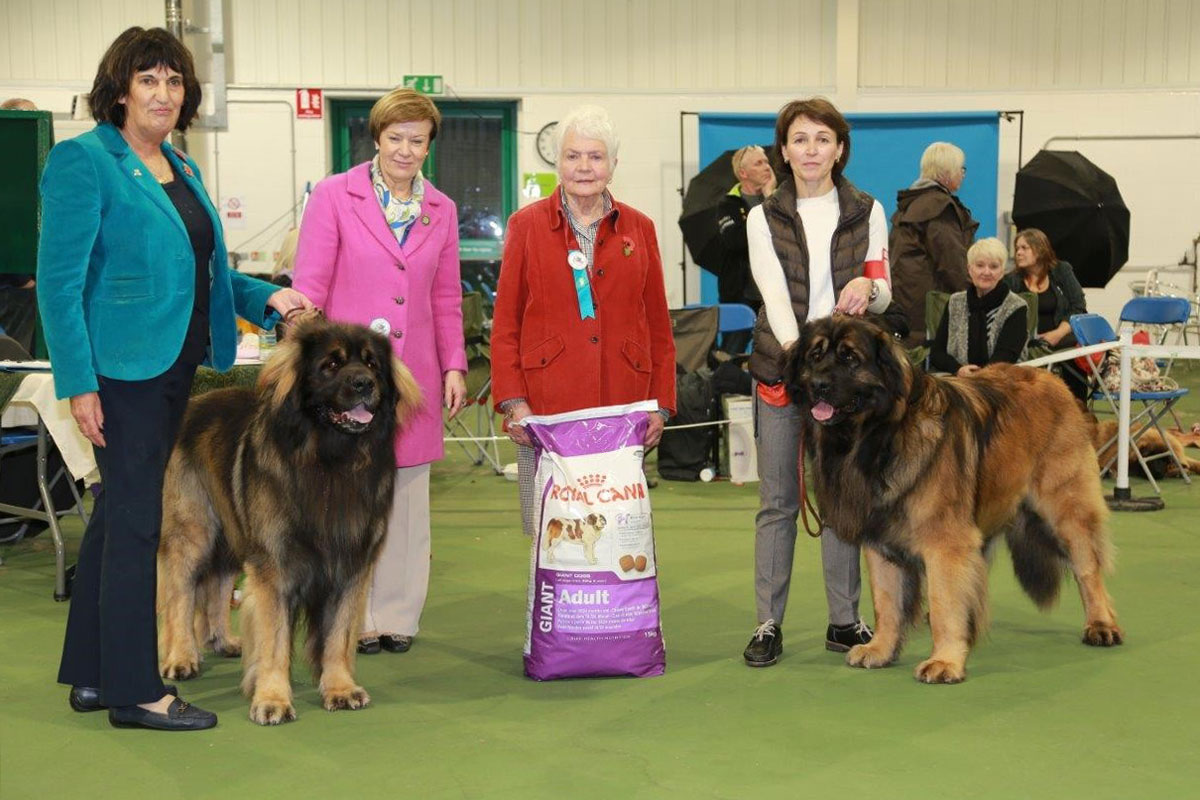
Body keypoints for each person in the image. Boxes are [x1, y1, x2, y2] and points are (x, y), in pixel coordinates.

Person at [39, 27, 313, 732]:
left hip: (177, 365)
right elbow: (59, 286)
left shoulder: (179, 167)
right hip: (120, 372)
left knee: (115, 517)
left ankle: (93, 673)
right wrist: (78, 380)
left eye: (174, 81)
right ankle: (137, 692)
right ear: (120, 88)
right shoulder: (83, 162)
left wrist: (265, 299)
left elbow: (208, 274)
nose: (163, 93)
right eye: (148, 79)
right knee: (137, 525)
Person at [293, 86, 467, 657]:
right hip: (346, 379)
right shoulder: (333, 196)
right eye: (396, 138)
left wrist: (455, 366)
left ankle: (396, 617)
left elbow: (447, 298)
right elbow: (310, 289)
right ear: (376, 138)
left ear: (429, 146)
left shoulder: (442, 209)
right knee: (344, 496)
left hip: (408, 380)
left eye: (418, 141)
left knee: (408, 499)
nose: (406, 150)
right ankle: (354, 617)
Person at [742, 97, 893, 668]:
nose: (811, 150)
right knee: (778, 501)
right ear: (784, 150)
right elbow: (774, 297)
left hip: (848, 385)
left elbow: (884, 288)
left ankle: (844, 620)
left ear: (840, 148)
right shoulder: (763, 216)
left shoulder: (868, 211)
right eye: (800, 139)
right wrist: (798, 363)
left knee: (841, 499)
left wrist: (866, 290)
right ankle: (767, 624)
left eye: (822, 138)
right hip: (785, 371)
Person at [491, 104, 676, 538]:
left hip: (623, 404)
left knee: (615, 533)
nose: (584, 167)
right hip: (545, 407)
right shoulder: (525, 226)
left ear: (613, 165)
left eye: (595, 157)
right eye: (573, 156)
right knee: (550, 536)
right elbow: (506, 325)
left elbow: (658, 327)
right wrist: (516, 405)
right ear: (558, 163)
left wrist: (661, 406)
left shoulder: (641, 228)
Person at [889, 141, 979, 346]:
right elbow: (952, 263)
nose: (963, 174)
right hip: (929, 310)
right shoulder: (938, 207)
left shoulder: (909, 205)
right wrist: (975, 298)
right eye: (960, 169)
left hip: (906, 305)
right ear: (946, 173)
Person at [929, 237, 1028, 376]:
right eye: (980, 265)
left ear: (1002, 272)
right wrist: (958, 369)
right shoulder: (955, 302)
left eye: (994, 266)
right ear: (970, 269)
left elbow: (1006, 357)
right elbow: (937, 352)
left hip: (1001, 383)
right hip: (959, 380)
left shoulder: (1016, 306)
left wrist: (979, 378)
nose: (986, 272)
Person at [714, 145, 776, 353]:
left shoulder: (779, 201)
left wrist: (770, 198)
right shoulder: (728, 204)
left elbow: (786, 236)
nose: (767, 167)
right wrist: (765, 212)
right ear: (743, 173)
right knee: (732, 351)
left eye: (767, 162)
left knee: (773, 352)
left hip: (772, 291)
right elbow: (735, 240)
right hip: (740, 291)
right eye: (759, 163)